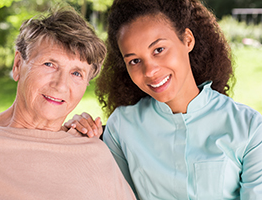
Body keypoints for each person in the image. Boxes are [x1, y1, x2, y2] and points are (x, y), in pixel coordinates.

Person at [65, 0, 262, 199]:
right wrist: (78, 138)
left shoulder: (250, 128)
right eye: (134, 61)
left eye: (159, 50)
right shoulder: (121, 127)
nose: (150, 71)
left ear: (187, 40)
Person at [0, 6, 136, 200]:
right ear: (18, 65)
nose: (61, 85)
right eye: (49, 64)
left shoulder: (93, 152)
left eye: (76, 73)